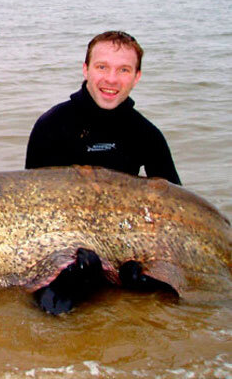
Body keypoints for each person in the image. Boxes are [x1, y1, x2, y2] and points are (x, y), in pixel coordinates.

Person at [25, 30, 180, 314]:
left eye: (123, 70)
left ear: (137, 76)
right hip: (64, 248)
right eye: (102, 67)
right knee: (51, 314)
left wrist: (148, 263)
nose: (111, 79)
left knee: (161, 304)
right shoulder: (51, 126)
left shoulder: (148, 135)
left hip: (124, 246)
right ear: (85, 70)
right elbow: (32, 212)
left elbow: (174, 209)